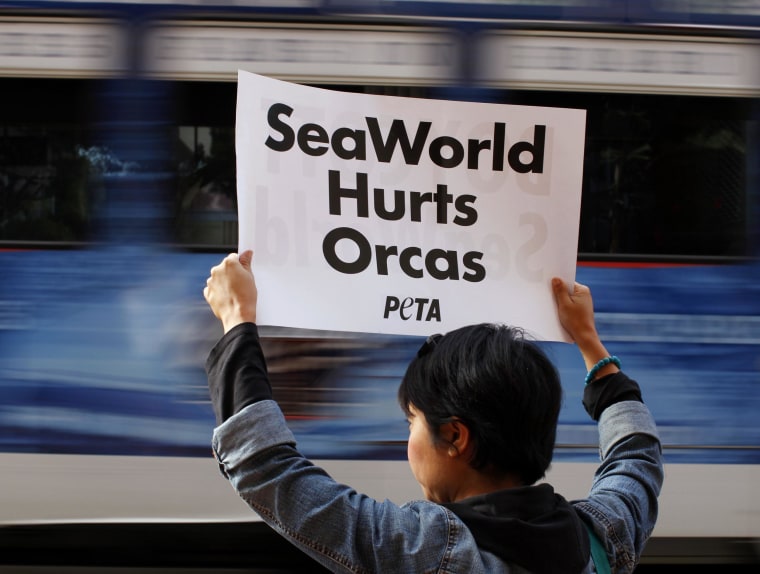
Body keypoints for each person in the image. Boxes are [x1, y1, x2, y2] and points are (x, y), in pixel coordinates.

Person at [203, 250, 663, 574]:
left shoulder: (424, 550)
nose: (409, 440)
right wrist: (589, 341)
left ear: (456, 437)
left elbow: (266, 468)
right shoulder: (603, 539)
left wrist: (237, 319)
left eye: (413, 422)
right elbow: (635, 457)